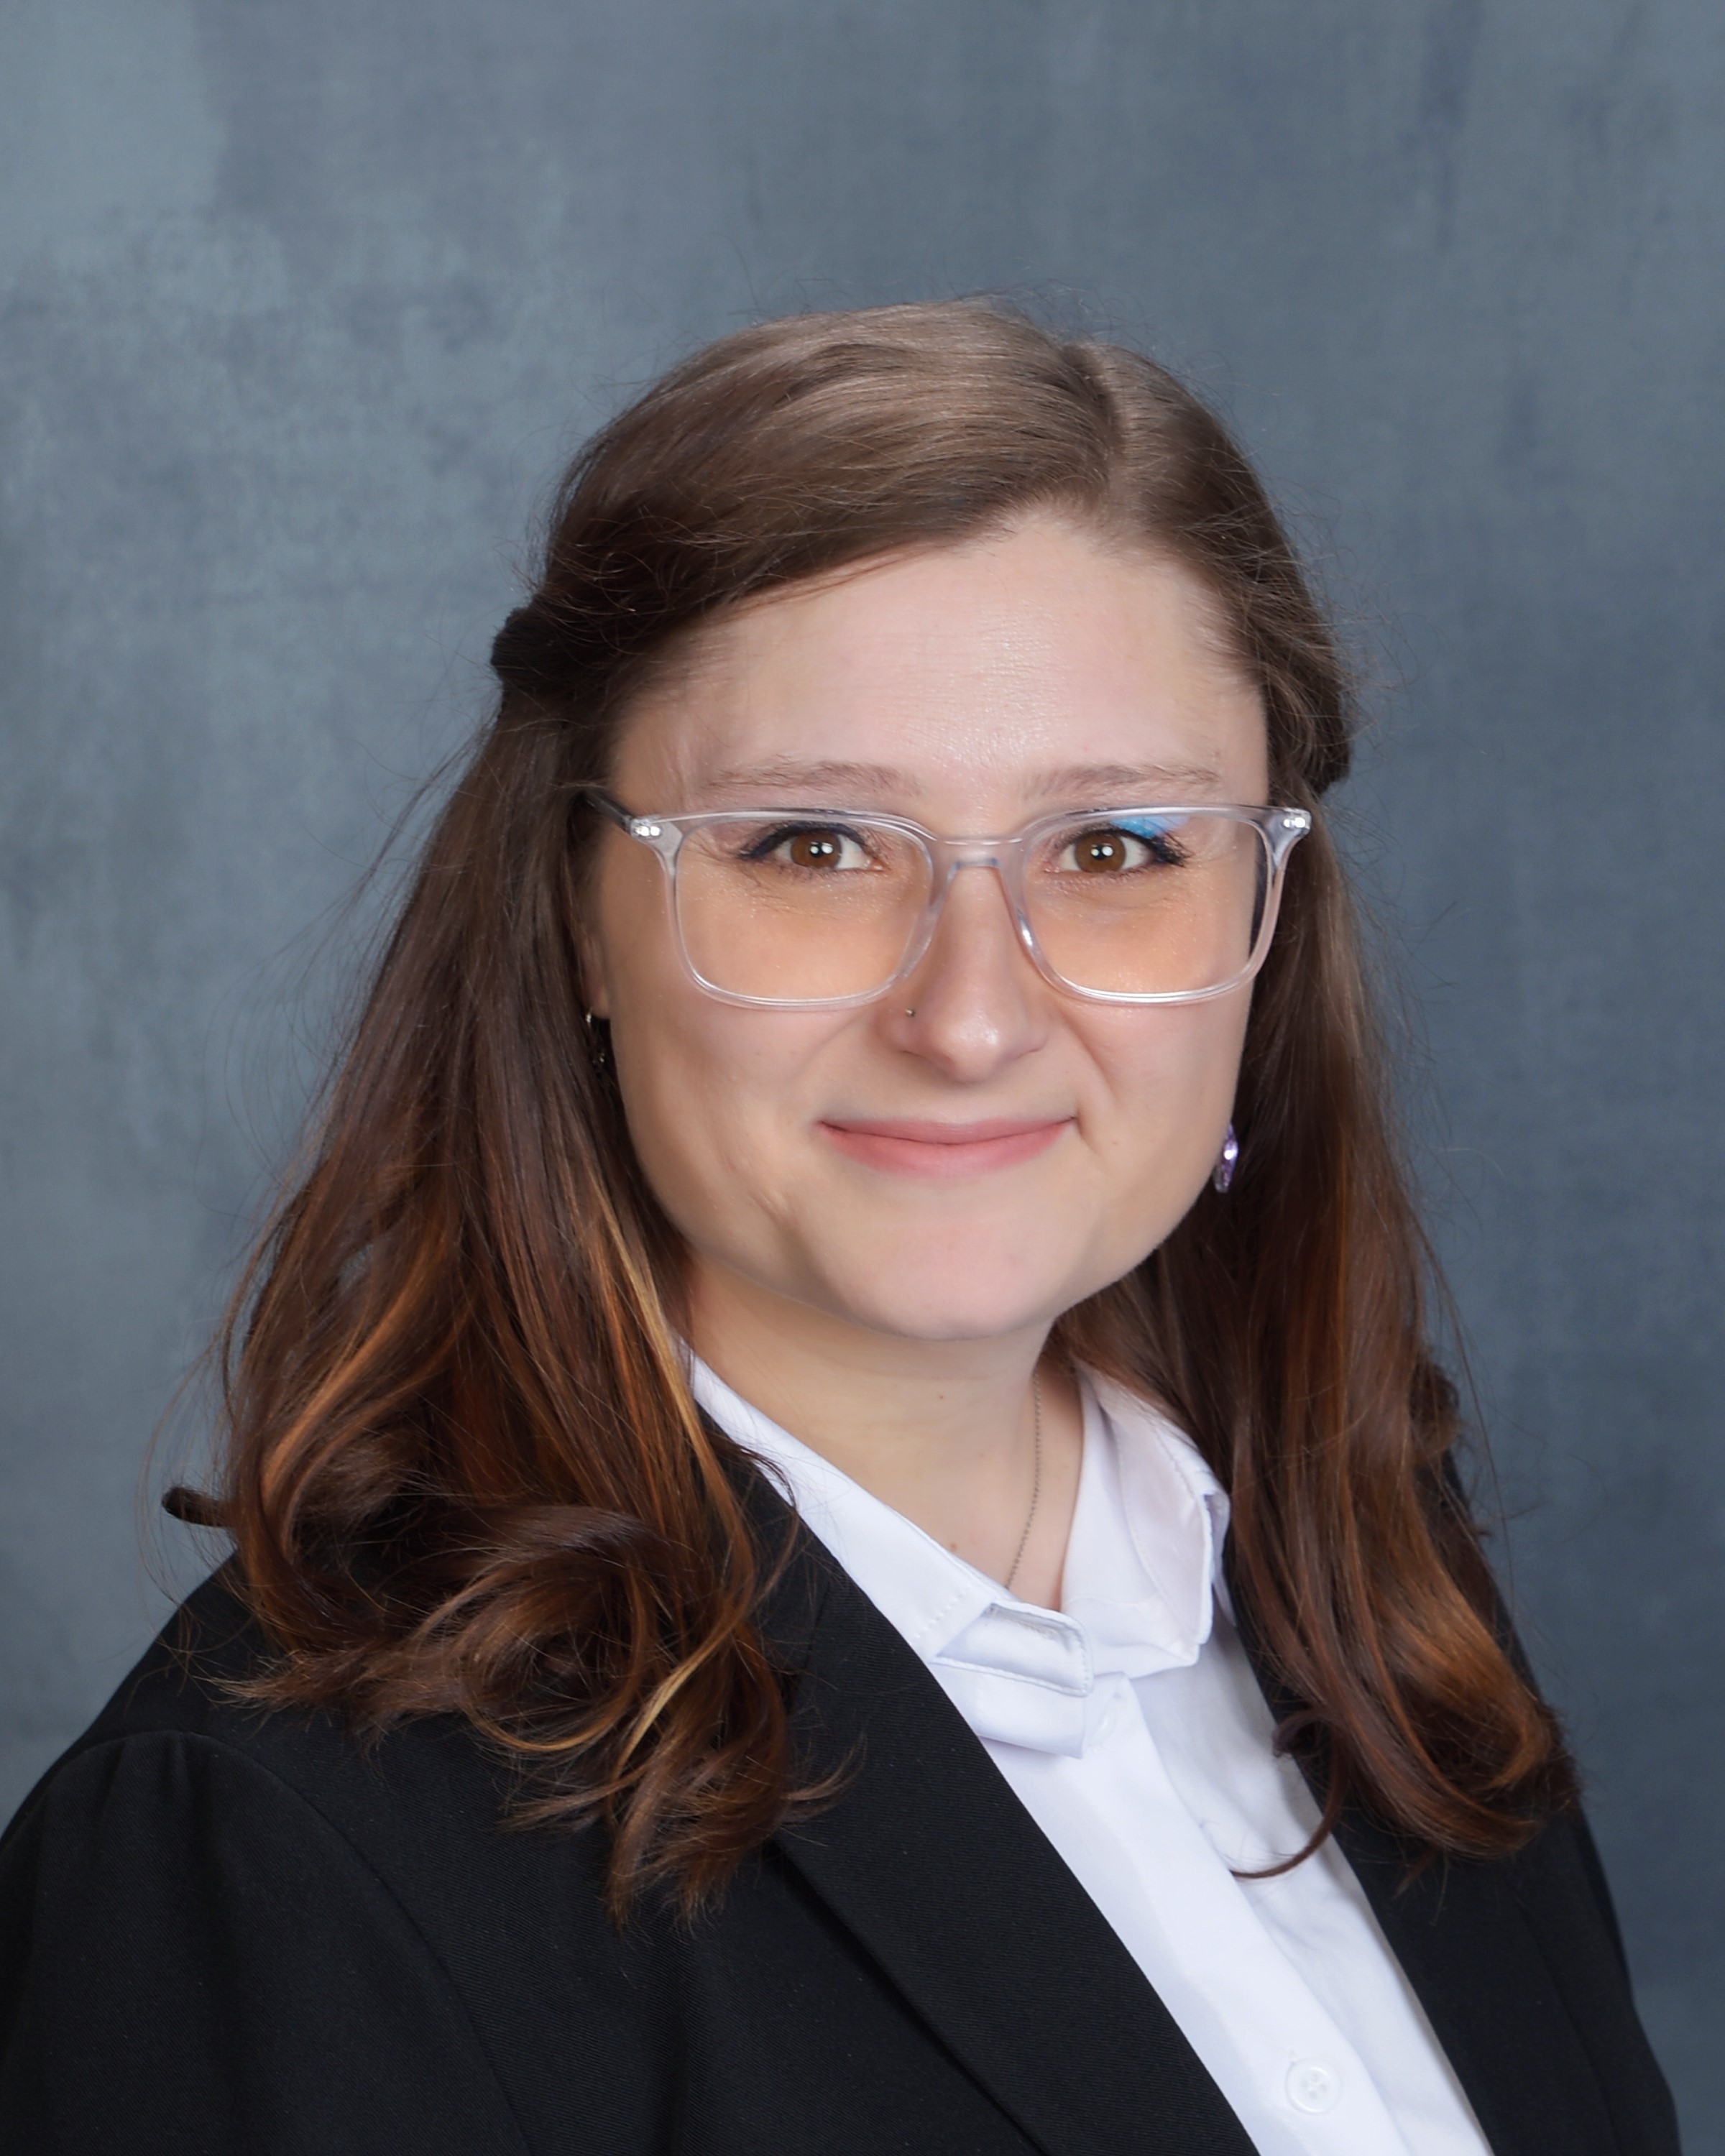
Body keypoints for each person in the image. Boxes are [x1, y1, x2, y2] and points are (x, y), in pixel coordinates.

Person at [0, 302, 1678, 2156]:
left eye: (1117, 848)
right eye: (809, 845)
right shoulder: (272, 1855)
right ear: (576, 920)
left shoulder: (1370, 1606)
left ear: (1266, 926)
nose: (969, 1017)